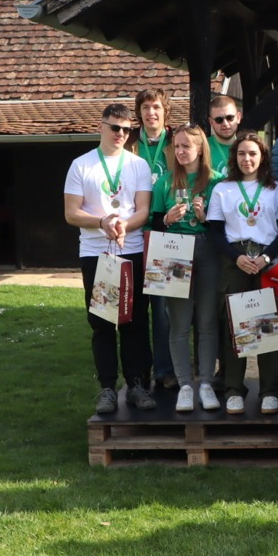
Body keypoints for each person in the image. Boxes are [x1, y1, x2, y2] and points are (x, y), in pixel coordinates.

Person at [63, 103, 155, 414]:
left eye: (127, 129)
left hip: (130, 250)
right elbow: (71, 212)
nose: (120, 134)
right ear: (100, 127)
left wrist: (123, 226)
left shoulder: (138, 165)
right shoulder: (81, 165)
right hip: (96, 252)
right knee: (102, 322)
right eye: (115, 127)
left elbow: (142, 208)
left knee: (136, 320)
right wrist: (102, 223)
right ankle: (106, 387)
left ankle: (137, 384)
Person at [206, 132, 278, 414]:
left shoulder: (274, 188)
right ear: (235, 157)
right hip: (235, 259)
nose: (247, 159)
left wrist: (267, 256)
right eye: (242, 153)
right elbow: (215, 232)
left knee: (268, 323)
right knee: (237, 324)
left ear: (262, 157)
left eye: (253, 153)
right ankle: (234, 389)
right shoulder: (223, 189)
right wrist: (238, 257)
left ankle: (269, 389)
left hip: (268, 257)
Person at [149, 123, 223, 412]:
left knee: (206, 321)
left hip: (207, 250)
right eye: (176, 146)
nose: (180, 151)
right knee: (178, 323)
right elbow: (154, 224)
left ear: (200, 148)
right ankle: (184, 385)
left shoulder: (216, 181)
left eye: (186, 146)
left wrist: (207, 219)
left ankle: (205, 382)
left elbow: (224, 227)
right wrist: (167, 219)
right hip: (172, 250)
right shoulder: (164, 182)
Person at [129, 89, 176, 389]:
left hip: (165, 233)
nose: (151, 113)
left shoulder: (176, 141)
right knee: (134, 309)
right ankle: (138, 372)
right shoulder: (130, 143)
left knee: (163, 310)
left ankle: (165, 370)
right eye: (145, 108)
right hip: (132, 233)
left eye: (156, 107)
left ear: (165, 111)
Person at [207, 95, 242, 175]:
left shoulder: (248, 148)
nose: (225, 124)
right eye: (219, 120)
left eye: (230, 118)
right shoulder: (202, 148)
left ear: (238, 117)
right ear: (211, 122)